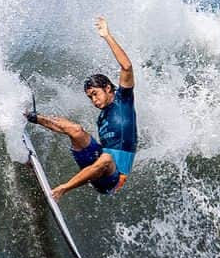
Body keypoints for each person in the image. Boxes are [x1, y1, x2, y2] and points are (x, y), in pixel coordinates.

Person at [24, 17, 137, 201]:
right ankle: (32, 117)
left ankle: (62, 189)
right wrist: (34, 118)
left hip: (113, 179)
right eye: (90, 97)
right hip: (97, 166)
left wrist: (106, 35)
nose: (93, 100)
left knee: (107, 159)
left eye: (95, 93)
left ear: (108, 88)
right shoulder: (102, 118)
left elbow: (127, 66)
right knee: (75, 130)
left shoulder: (123, 101)